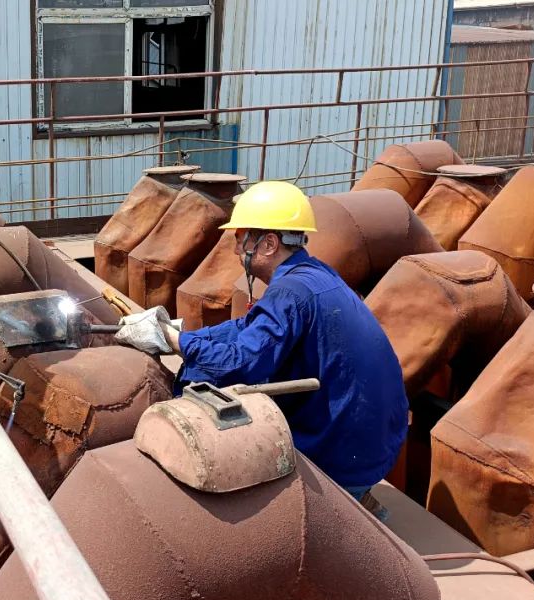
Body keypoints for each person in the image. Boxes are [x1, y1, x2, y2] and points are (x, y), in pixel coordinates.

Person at [115, 181, 407, 517]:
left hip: (341, 456)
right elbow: (247, 328)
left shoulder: (291, 293)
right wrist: (183, 331)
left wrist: (170, 340)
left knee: (204, 380)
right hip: (375, 446)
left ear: (268, 243)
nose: (237, 251)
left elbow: (240, 364)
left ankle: (335, 507)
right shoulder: (313, 277)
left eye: (240, 240)